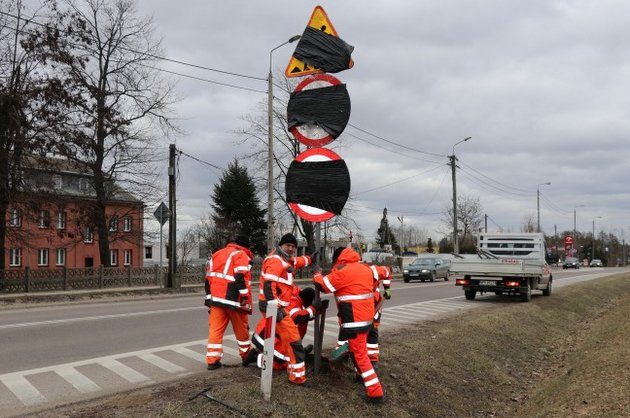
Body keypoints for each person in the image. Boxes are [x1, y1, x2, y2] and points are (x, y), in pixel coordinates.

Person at [314, 247, 384, 403]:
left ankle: (375, 392)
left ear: (338, 259)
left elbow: (323, 285)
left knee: (360, 355)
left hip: (354, 320)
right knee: (357, 351)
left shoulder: (343, 270)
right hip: (367, 319)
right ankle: (361, 376)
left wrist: (317, 272)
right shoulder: (364, 268)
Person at [248, 233, 314, 384]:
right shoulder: (276, 260)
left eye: (293, 246)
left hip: (276, 307)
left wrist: (310, 259)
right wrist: (275, 308)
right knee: (293, 341)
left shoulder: (284, 258)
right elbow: (269, 286)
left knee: (285, 342)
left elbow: (297, 261)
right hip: (274, 307)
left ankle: (259, 357)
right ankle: (297, 377)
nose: (291, 249)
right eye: (288, 246)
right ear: (281, 245)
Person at [204, 235, 254, 370]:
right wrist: (244, 295)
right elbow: (240, 276)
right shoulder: (240, 254)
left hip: (216, 300)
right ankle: (246, 356)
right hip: (234, 300)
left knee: (215, 330)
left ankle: (212, 361)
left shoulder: (217, 254)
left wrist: (209, 298)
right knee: (241, 330)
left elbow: (208, 277)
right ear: (246, 247)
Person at [249, 286, 317, 370]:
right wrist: (313, 308)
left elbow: (302, 315)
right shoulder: (294, 303)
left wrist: (316, 310)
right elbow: (297, 316)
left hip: (266, 332)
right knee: (284, 362)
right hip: (269, 336)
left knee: (289, 354)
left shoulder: (295, 295)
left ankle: (298, 351)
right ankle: (257, 357)